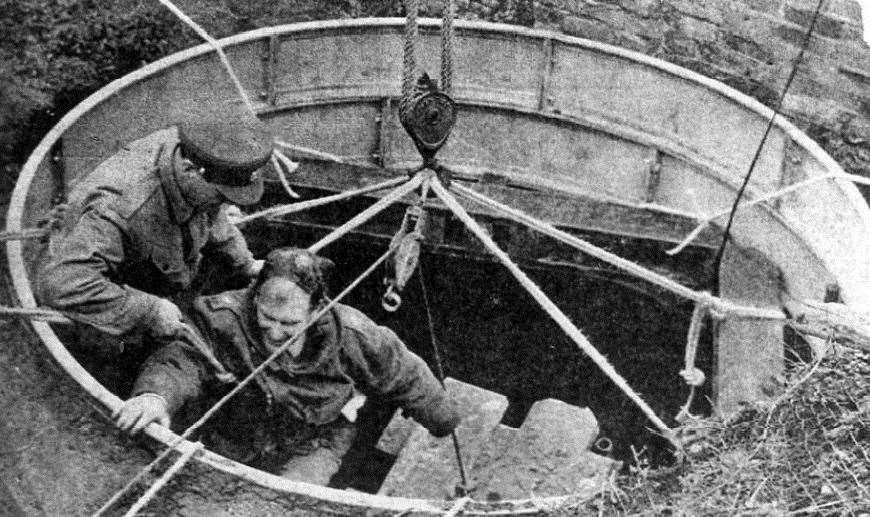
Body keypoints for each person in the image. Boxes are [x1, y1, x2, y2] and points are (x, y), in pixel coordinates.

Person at [113, 247, 461, 485]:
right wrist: (155, 397)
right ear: (254, 295)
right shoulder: (222, 317)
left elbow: (405, 375)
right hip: (233, 434)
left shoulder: (353, 334)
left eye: (290, 324)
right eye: (267, 318)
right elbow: (180, 359)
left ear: (316, 309)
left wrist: (444, 420)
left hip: (314, 440)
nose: (276, 333)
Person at [38, 113, 272, 345]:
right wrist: (150, 311)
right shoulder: (121, 208)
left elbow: (213, 213)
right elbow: (61, 283)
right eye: (222, 196)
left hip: (163, 270)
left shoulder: (198, 164)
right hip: (110, 298)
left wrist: (246, 264)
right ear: (190, 170)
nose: (229, 205)